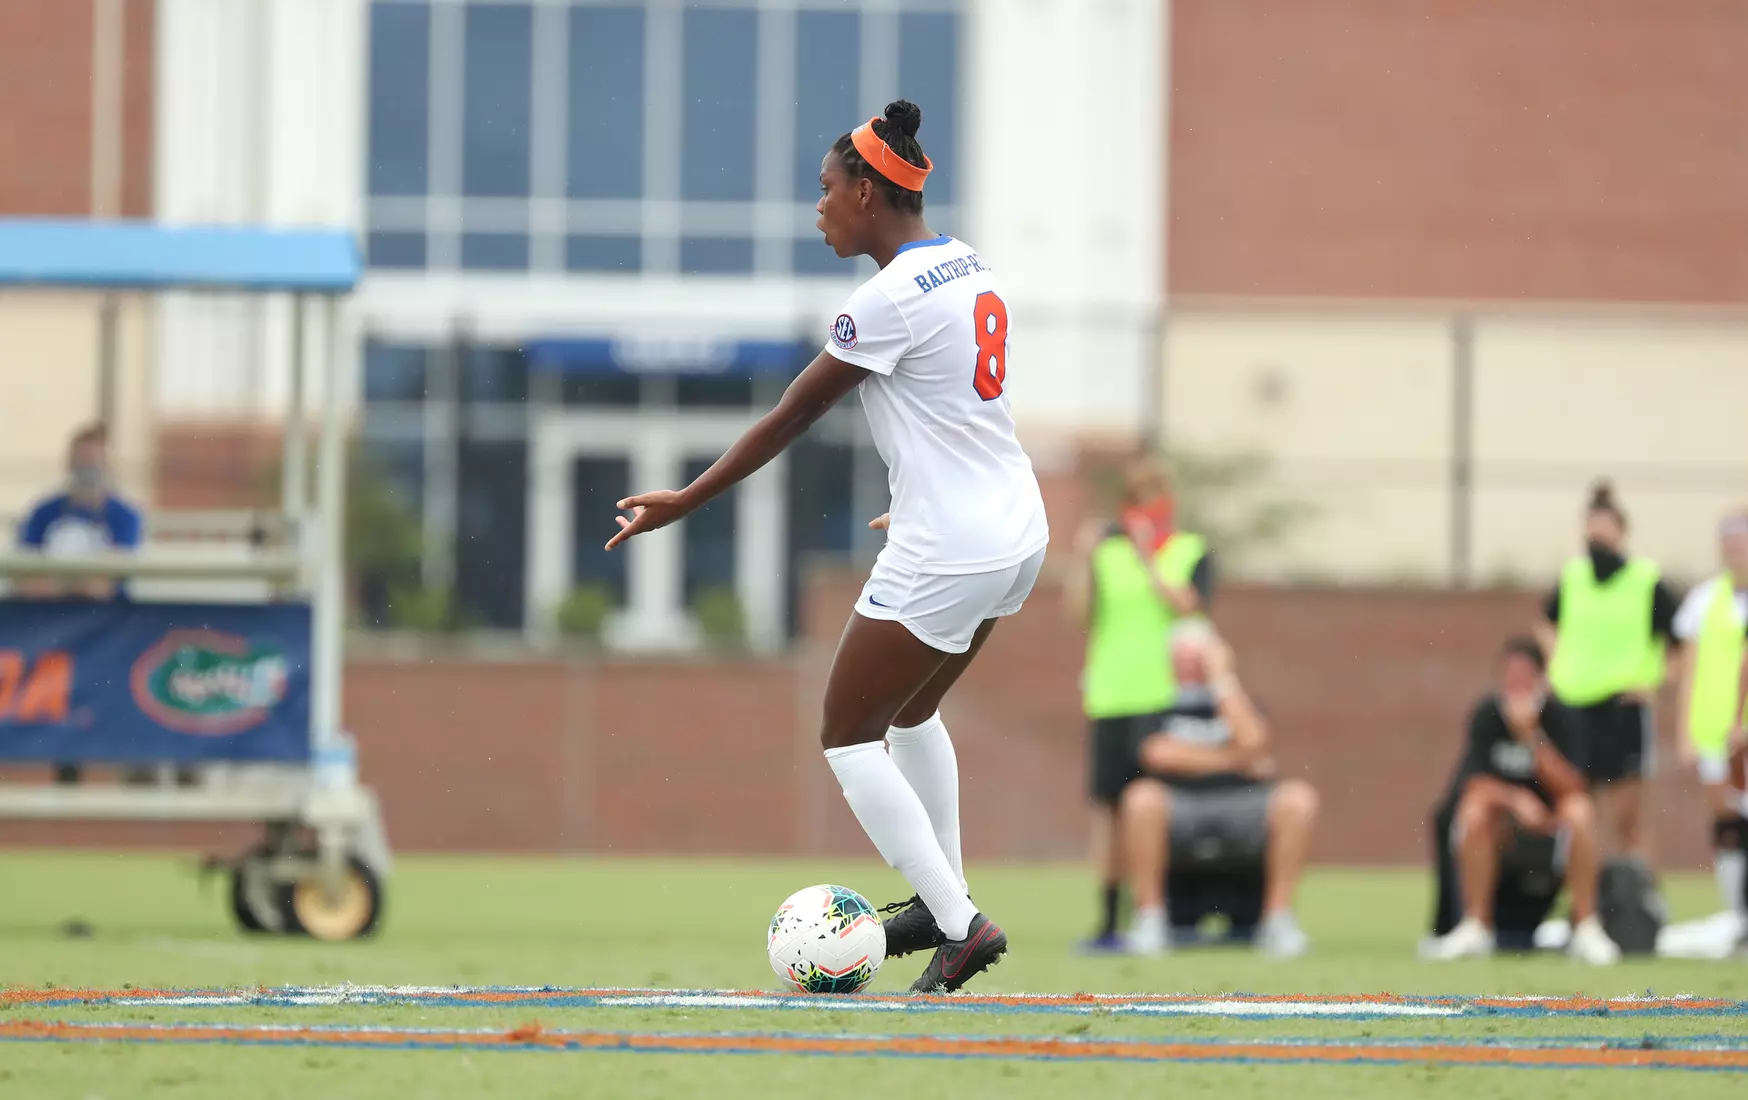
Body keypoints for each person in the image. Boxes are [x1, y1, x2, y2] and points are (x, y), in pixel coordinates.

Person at [605, 101, 1046, 993]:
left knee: (848, 735)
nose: (818, 207)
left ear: (871, 190)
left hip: (952, 545)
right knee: (913, 716)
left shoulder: (882, 300)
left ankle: (959, 927)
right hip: (1015, 531)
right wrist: (920, 498)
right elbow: (959, 411)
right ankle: (939, 901)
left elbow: (791, 415)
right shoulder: (970, 265)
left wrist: (687, 497)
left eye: (827, 189)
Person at [1063, 455, 1215, 951]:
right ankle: (1109, 922)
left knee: (1149, 808)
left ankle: (1159, 911)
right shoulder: (1109, 555)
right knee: (1108, 811)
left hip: (1162, 697)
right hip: (1110, 696)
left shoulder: (1190, 551)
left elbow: (1190, 606)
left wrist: (1150, 559)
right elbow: (1079, 613)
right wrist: (1082, 559)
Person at [1118, 623, 1317, 957]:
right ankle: (1150, 920)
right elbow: (1159, 754)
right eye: (1182, 656)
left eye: (1199, 656)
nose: (1191, 665)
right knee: (1141, 799)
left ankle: (1278, 921)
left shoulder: (1235, 702)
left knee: (1298, 799)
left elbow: (1256, 741)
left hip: (1242, 803)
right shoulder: (1157, 702)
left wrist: (1223, 683)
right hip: (1179, 803)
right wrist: (1236, 760)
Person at [1424, 637, 1620, 964]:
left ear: (1541, 679)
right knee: (1472, 812)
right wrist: (1516, 800)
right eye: (1510, 677)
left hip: (1551, 826)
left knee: (1581, 812)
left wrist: (1532, 737)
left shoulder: (1561, 715)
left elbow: (1574, 786)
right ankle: (1476, 926)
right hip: (1505, 828)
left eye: (1524, 677)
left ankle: (1586, 927)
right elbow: (1472, 783)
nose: (1516, 686)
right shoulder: (1488, 715)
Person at [1537, 481, 1680, 862]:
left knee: (1626, 820)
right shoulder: (1573, 577)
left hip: (1621, 709)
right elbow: (1547, 624)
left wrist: (1658, 683)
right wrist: (1553, 669)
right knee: (1579, 814)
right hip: (1573, 709)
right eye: (1591, 527)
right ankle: (1589, 908)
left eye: (1604, 527)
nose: (1596, 535)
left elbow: (1677, 645)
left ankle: (1639, 905)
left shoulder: (1645, 580)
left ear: (1621, 531)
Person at [15, 424, 144, 786]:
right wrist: (73, 583)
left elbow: (106, 585)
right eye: (81, 460)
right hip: (51, 633)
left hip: (107, 633)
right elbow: (26, 580)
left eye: (94, 460)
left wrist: (61, 582)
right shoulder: (45, 513)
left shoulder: (123, 516)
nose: (87, 468)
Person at [1670, 509, 1748, 929]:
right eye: (1729, 544)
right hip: (1716, 730)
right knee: (1727, 820)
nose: (1735, 552)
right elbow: (1688, 672)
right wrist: (1684, 733)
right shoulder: (1704, 600)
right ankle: (1737, 914)